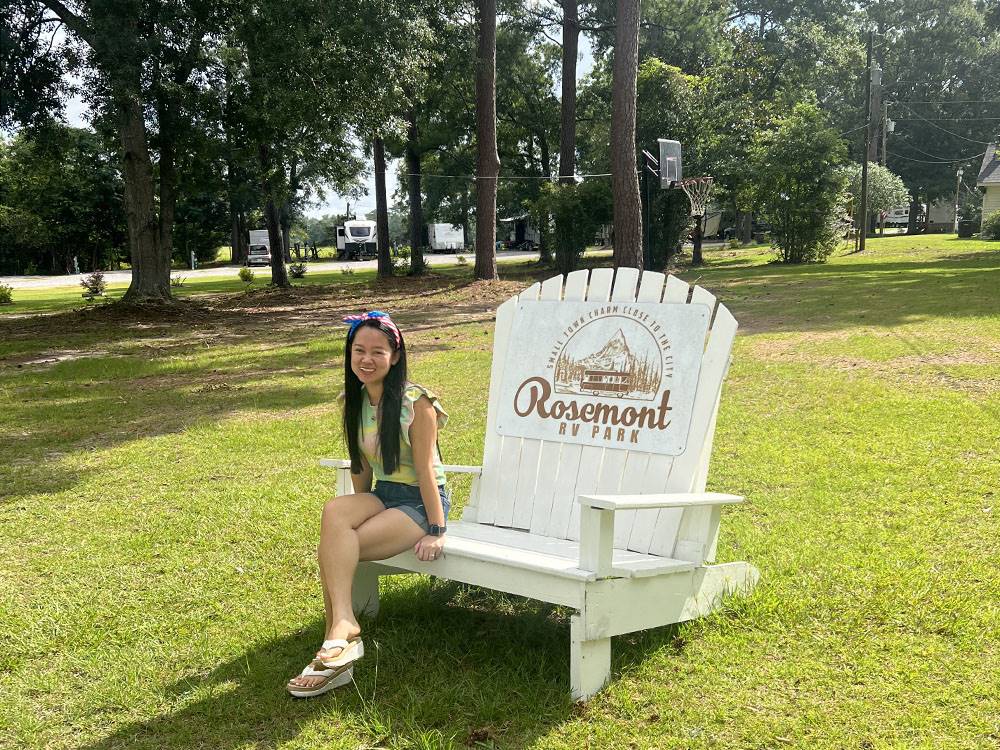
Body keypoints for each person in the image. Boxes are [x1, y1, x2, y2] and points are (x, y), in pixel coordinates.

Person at [286, 311, 450, 697]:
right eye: (359, 350)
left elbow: (427, 470)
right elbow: (361, 466)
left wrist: (437, 530)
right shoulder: (353, 400)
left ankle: (331, 653)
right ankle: (343, 627)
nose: (366, 359)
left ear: (395, 356)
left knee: (335, 550)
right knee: (334, 513)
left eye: (378, 351)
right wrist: (359, 506)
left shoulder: (417, 402)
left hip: (419, 503)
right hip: (384, 494)